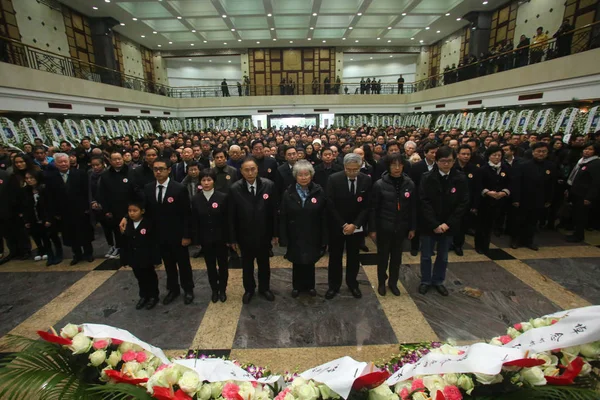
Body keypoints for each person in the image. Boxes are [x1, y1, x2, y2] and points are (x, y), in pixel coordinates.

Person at [142, 158, 194, 305]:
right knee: (168, 264)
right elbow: (146, 212)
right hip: (159, 235)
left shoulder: (178, 188)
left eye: (161, 169)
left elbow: (186, 214)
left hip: (177, 235)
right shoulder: (148, 188)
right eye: (155, 169)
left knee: (183, 264)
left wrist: (186, 235)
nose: (158, 172)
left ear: (169, 170)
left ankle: (188, 289)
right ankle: (173, 289)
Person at [418, 146, 469, 296]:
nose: (446, 164)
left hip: (449, 225)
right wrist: (434, 224)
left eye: (449, 161)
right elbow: (423, 201)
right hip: (430, 224)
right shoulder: (427, 177)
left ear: (454, 161)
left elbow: (463, 203)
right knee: (426, 255)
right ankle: (426, 280)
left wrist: (447, 224)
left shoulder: (460, 178)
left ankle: (438, 280)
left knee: (443, 256)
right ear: (436, 161)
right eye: (443, 161)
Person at [228, 157, 278, 304]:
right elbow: (231, 216)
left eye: (253, 169)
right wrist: (232, 239)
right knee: (247, 265)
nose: (250, 172)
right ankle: (249, 289)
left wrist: (275, 233)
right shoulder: (235, 188)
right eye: (246, 170)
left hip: (264, 233)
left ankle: (264, 288)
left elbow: (274, 212)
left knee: (264, 263)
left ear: (257, 169)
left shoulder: (269, 185)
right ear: (241, 171)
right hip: (244, 234)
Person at [325, 153, 372, 300]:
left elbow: (367, 206)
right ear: (344, 167)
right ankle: (334, 285)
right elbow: (330, 205)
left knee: (354, 256)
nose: (352, 172)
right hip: (338, 225)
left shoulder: (366, 180)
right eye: (349, 169)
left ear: (360, 167)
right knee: (335, 257)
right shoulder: (334, 179)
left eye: (355, 169)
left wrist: (355, 224)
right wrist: (344, 224)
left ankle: (352, 283)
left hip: (356, 227)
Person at [369, 153, 416, 296]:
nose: (397, 168)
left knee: (397, 257)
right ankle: (382, 282)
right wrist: (372, 229)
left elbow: (413, 207)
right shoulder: (379, 184)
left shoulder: (409, 184)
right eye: (393, 165)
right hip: (384, 226)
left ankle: (393, 283)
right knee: (382, 257)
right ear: (388, 166)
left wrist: (412, 227)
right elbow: (373, 209)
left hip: (401, 227)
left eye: (399, 165)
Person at [279, 160, 327, 297]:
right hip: (295, 233)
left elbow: (324, 216)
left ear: (311, 175)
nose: (304, 177)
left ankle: (310, 286)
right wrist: (283, 237)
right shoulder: (288, 193)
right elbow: (283, 216)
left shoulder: (319, 191)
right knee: (297, 261)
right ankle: (297, 287)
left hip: (313, 232)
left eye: (307, 174)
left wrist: (324, 237)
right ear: (295, 176)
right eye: (300, 175)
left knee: (311, 261)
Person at [45, 153, 94, 265]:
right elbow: (50, 196)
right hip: (64, 211)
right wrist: (55, 212)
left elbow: (87, 191)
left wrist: (87, 207)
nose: (63, 164)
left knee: (84, 232)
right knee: (70, 234)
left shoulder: (80, 173)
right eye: (60, 162)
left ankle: (88, 253)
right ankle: (77, 254)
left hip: (81, 209)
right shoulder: (51, 177)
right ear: (55, 163)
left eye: (65, 161)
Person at [192, 169, 230, 303]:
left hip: (221, 238)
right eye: (203, 180)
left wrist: (229, 238)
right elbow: (195, 220)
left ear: (214, 181)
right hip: (205, 239)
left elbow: (227, 219)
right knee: (210, 265)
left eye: (209, 180)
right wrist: (196, 239)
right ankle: (214, 289)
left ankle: (223, 289)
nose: (206, 183)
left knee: (223, 265)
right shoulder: (196, 199)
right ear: (200, 182)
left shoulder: (222, 197)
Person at [510, 143, 556, 250]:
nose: (541, 154)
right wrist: (516, 198)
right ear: (533, 152)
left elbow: (552, 184)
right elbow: (517, 183)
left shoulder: (551, 166)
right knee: (519, 220)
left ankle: (528, 241)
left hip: (540, 198)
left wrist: (549, 199)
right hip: (524, 198)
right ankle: (515, 240)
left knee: (533, 221)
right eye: (538, 151)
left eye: (543, 152)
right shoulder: (523, 165)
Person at [120, 200, 161, 310]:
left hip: (146, 257)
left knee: (150, 277)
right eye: (129, 211)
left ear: (142, 211)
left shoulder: (148, 223)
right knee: (139, 277)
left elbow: (154, 243)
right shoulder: (127, 224)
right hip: (134, 257)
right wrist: (124, 259)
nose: (132, 213)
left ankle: (153, 296)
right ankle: (144, 296)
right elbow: (124, 243)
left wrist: (156, 259)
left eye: (135, 211)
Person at [97, 151, 135, 260]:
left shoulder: (131, 172)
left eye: (119, 158)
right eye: (115, 159)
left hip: (130, 209)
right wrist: (106, 210)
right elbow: (102, 194)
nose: (118, 161)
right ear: (110, 161)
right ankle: (123, 253)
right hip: (114, 210)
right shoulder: (105, 176)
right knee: (119, 233)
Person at [474, 146, 511, 255]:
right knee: (482, 225)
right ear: (489, 156)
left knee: (491, 225)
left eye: (499, 155)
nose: (496, 157)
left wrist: (504, 192)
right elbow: (478, 185)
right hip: (485, 201)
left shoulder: (506, 168)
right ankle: (479, 245)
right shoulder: (483, 169)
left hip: (499, 200)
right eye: (494, 155)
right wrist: (487, 192)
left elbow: (510, 182)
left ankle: (486, 245)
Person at [23, 170, 63, 266]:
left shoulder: (45, 189)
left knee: (53, 236)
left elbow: (50, 205)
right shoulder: (25, 191)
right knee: (43, 238)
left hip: (47, 218)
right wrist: (27, 220)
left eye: (31, 178)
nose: (29, 180)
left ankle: (59, 253)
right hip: (34, 219)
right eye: (27, 178)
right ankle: (50, 255)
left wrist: (49, 219)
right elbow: (25, 206)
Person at [566, 142, 600, 242]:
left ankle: (579, 236)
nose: (586, 151)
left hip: (584, 195)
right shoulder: (582, 161)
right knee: (576, 214)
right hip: (577, 192)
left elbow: (596, 183)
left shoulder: (596, 164)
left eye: (590, 149)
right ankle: (576, 233)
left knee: (581, 216)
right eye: (585, 149)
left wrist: (589, 197)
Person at [451, 145, 479, 256]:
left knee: (462, 226)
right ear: (458, 155)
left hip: (466, 203)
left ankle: (458, 245)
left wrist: (475, 205)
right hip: (452, 201)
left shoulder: (474, 169)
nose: (466, 156)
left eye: (468, 154)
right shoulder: (452, 167)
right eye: (463, 154)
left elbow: (477, 189)